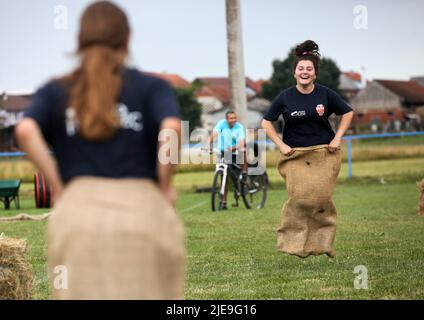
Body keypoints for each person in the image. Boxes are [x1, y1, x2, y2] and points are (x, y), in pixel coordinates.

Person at [15, 1, 185, 299]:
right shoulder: (151, 87)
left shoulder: (57, 89)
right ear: (128, 39)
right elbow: (171, 128)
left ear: (80, 39)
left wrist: (57, 186)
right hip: (142, 207)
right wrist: (165, 185)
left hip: (78, 212)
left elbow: (25, 129)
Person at [261, 40, 354, 258]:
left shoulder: (325, 94)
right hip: (295, 155)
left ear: (315, 73)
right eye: (301, 68)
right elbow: (266, 123)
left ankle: (322, 243)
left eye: (309, 69)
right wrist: (281, 145)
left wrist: (337, 138)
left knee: (321, 199)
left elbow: (347, 113)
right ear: (294, 73)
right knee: (301, 199)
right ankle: (292, 244)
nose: (305, 72)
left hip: (324, 153)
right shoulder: (285, 97)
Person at [204, 111, 246, 209]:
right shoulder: (221, 124)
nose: (233, 120)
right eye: (231, 118)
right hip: (224, 153)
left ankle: (244, 173)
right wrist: (208, 145)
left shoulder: (239, 127)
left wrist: (233, 148)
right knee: (224, 177)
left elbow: (241, 142)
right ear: (226, 119)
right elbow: (213, 135)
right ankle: (224, 202)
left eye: (235, 118)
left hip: (235, 152)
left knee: (244, 150)